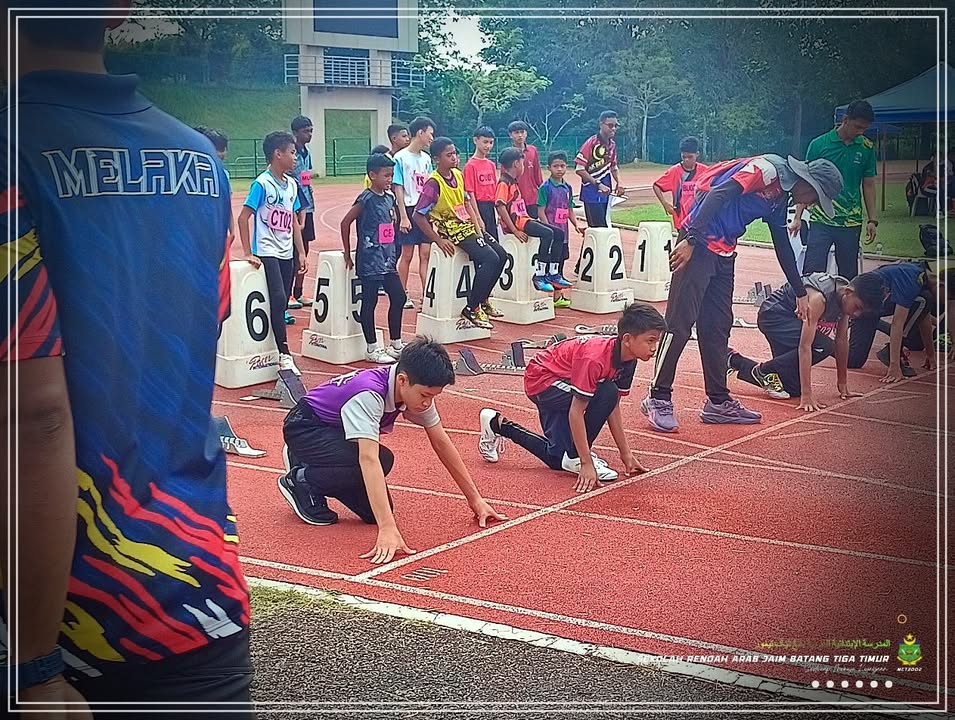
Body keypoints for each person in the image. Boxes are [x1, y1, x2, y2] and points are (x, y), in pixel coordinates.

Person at [2, 3, 253, 716]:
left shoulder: (12, 148)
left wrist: (31, 665)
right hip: (198, 585)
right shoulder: (200, 162)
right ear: (118, 14)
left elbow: (34, 417)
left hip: (60, 616)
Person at [643, 154, 844, 432]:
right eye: (815, 197)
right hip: (698, 244)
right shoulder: (767, 170)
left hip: (724, 251)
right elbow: (718, 194)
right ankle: (658, 397)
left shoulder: (781, 197)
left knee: (717, 327)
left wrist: (800, 291)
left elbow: (782, 244)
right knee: (679, 322)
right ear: (808, 182)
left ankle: (718, 401)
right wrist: (690, 239)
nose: (810, 204)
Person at [279, 337, 507, 562]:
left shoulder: (416, 388)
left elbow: (441, 442)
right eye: (425, 395)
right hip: (306, 428)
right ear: (402, 380)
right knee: (381, 460)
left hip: (337, 432)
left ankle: (317, 468)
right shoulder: (369, 395)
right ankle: (302, 479)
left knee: (373, 513)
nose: (427, 403)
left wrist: (475, 500)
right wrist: (388, 529)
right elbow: (368, 459)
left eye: (434, 396)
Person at [478, 303, 667, 493]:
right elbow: (577, 411)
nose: (654, 347)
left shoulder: (628, 360)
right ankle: (576, 456)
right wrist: (584, 461)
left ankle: (496, 424)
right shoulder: (594, 359)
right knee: (605, 392)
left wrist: (626, 454)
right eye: (650, 341)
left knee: (556, 459)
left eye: (656, 341)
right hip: (542, 380)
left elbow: (613, 407)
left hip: (562, 378)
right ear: (627, 339)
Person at [728, 272, 885, 409]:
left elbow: (842, 340)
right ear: (849, 292)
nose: (857, 314)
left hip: (789, 320)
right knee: (823, 346)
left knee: (792, 388)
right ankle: (763, 370)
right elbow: (805, 346)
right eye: (857, 307)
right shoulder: (819, 299)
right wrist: (807, 395)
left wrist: (842, 384)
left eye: (862, 311)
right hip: (774, 316)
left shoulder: (845, 297)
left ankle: (733, 360)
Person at [413, 137, 508, 329]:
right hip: (452, 230)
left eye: (455, 153)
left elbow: (465, 202)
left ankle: (483, 300)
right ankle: (472, 308)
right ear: (437, 159)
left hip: (467, 226)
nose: (454, 158)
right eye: (449, 155)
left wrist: (477, 224)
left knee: (502, 255)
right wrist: (438, 239)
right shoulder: (434, 183)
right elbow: (418, 215)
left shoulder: (457, 174)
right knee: (490, 258)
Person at [237, 131, 308, 376]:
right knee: (278, 298)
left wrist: (301, 253)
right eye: (292, 152)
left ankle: (275, 345)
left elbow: (294, 222)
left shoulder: (292, 185)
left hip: (286, 250)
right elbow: (243, 217)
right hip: (266, 251)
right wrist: (248, 252)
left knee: (282, 300)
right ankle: (284, 354)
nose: (295, 158)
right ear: (278, 154)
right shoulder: (262, 184)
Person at [796, 100, 878, 280]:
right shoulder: (819, 144)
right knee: (812, 271)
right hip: (821, 217)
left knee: (848, 276)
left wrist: (873, 219)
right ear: (845, 119)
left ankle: (842, 308)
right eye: (857, 127)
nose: (860, 132)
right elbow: (806, 182)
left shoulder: (866, 147)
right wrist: (797, 217)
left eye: (864, 129)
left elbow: (869, 184)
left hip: (851, 221)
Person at [340, 154, 406, 364]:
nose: (389, 179)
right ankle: (372, 348)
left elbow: (391, 225)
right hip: (369, 259)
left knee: (399, 297)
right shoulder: (365, 199)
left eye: (391, 175)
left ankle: (396, 343)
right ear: (372, 175)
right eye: (386, 175)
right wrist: (347, 250)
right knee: (370, 302)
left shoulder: (389, 198)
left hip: (387, 259)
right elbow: (345, 222)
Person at [848, 261, 951, 381]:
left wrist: (931, 355)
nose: (945, 302)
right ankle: (825, 344)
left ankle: (878, 325)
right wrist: (894, 366)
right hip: (864, 306)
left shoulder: (922, 277)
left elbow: (925, 318)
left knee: (923, 306)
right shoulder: (911, 280)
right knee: (853, 361)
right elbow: (897, 323)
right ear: (942, 285)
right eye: (948, 298)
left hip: (876, 306)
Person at [495, 148, 571, 293]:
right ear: (517, 163)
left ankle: (553, 273)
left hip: (525, 219)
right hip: (519, 223)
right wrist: (514, 230)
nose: (524, 166)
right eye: (523, 163)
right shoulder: (504, 183)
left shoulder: (513, 181)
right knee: (547, 234)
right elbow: (500, 206)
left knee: (559, 234)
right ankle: (540, 274)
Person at [392, 116, 436, 310]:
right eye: (430, 134)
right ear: (420, 132)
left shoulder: (426, 159)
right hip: (409, 209)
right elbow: (398, 187)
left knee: (425, 253)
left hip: (424, 210)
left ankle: (427, 295)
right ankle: (402, 294)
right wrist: (402, 215)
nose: (431, 138)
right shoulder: (400, 158)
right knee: (407, 254)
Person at [537, 151, 585, 307]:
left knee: (561, 261)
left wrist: (576, 225)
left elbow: (569, 209)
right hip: (552, 233)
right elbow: (541, 211)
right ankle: (549, 293)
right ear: (549, 168)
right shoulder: (545, 188)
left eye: (562, 166)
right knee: (550, 261)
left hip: (564, 234)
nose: (559, 169)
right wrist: (547, 228)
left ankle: (558, 295)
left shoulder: (568, 188)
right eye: (556, 166)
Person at [575, 110, 621, 228]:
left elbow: (613, 166)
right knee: (596, 229)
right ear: (601, 124)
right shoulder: (590, 143)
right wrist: (598, 184)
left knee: (605, 227)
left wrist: (619, 183)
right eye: (610, 125)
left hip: (606, 194)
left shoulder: (612, 145)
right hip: (591, 194)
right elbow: (579, 169)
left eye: (616, 126)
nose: (613, 129)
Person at [652, 136, 708, 229]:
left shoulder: (705, 171)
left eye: (690, 157)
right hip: (680, 218)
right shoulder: (674, 171)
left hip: (699, 217)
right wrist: (665, 204)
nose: (686, 160)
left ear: (697, 154)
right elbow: (656, 186)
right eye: (684, 157)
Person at [195, 125, 237, 250]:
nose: (220, 154)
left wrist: (232, 230)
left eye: (223, 149)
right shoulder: (195, 173)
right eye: (216, 149)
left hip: (218, 231)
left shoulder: (224, 175)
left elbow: (226, 204)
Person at [289, 115, 316, 309]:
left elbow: (305, 179)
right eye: (306, 131)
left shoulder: (306, 153)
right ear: (296, 132)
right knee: (291, 252)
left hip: (307, 206)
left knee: (304, 250)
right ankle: (288, 293)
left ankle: (298, 292)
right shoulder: (291, 153)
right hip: (294, 207)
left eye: (311, 131)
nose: (309, 134)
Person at [464, 126, 499, 240]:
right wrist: (478, 218)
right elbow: (470, 194)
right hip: (478, 207)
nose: (488, 146)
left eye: (491, 142)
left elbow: (495, 191)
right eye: (485, 142)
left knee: (495, 242)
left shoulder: (491, 165)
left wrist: (498, 213)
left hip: (491, 208)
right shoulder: (470, 166)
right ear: (475, 140)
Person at [508, 120, 544, 219]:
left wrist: (543, 194)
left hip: (533, 198)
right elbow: (505, 178)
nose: (520, 135)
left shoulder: (533, 150)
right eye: (516, 132)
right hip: (516, 199)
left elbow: (538, 174)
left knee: (535, 227)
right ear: (510, 135)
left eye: (522, 132)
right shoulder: (508, 154)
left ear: (526, 133)